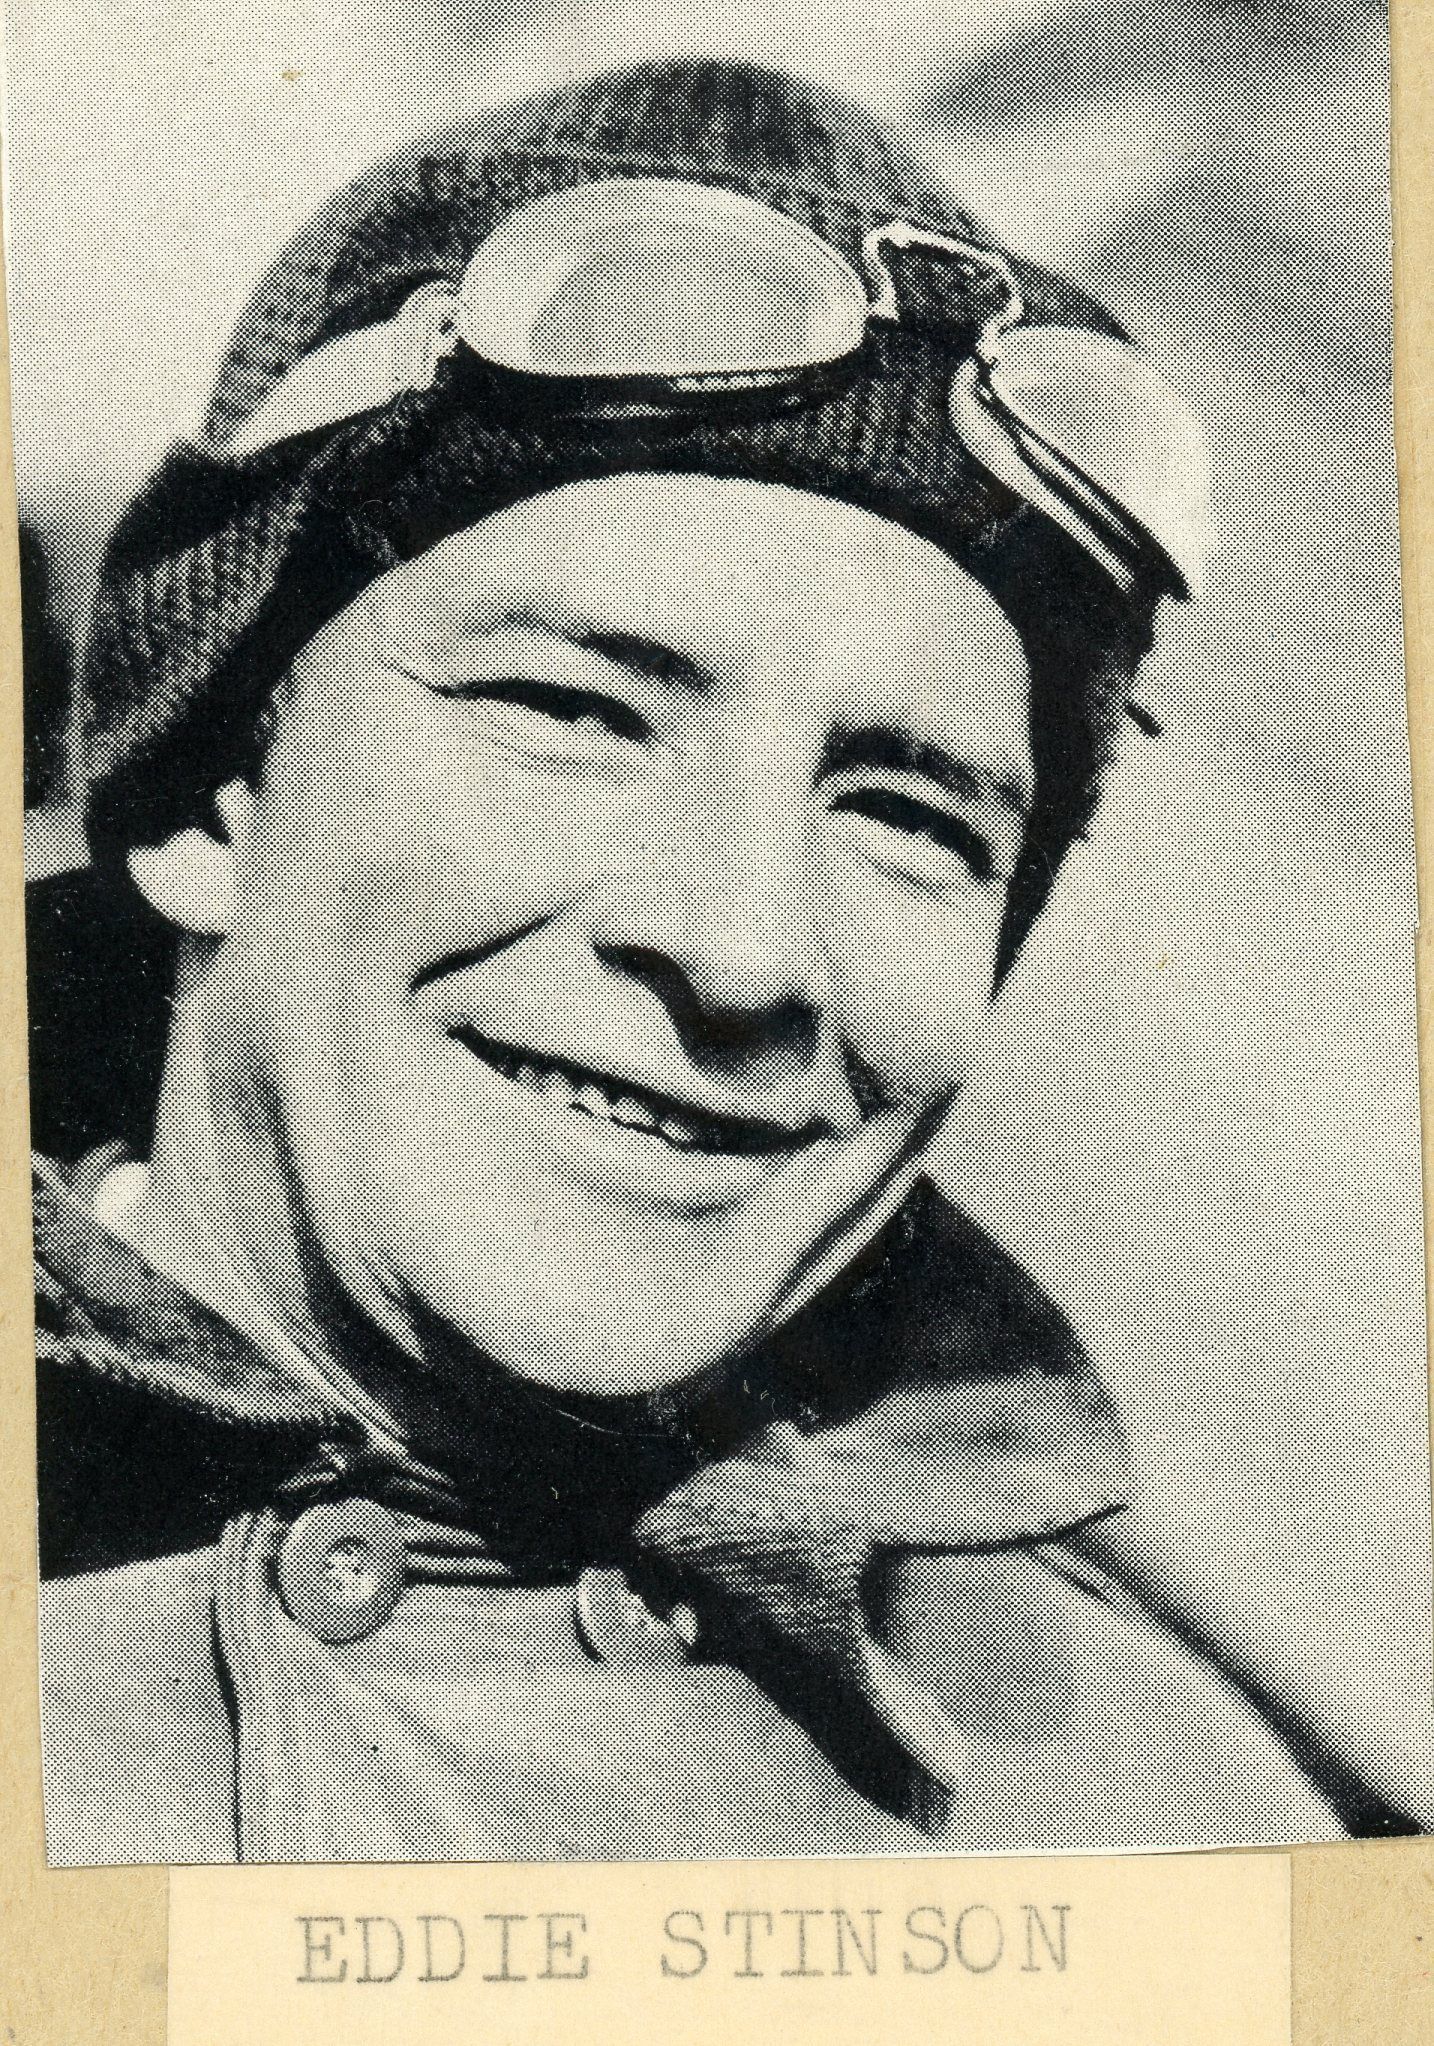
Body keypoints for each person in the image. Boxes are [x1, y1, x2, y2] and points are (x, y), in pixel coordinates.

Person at [31, 58, 1425, 1864]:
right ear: (207, 793)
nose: (742, 945)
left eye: (907, 817)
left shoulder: (1170, 1819)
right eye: (573, 709)